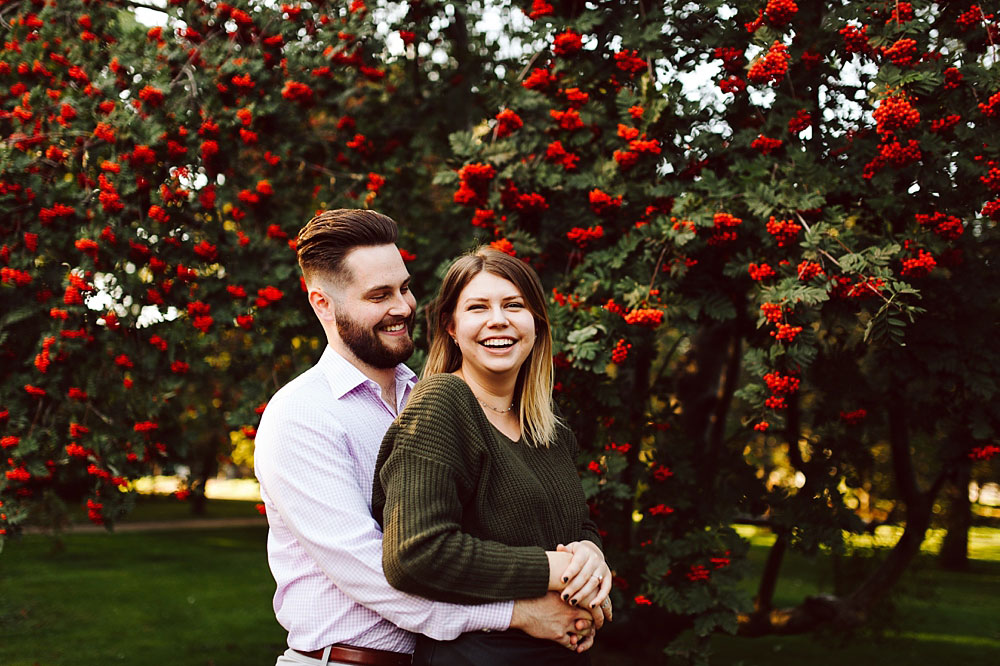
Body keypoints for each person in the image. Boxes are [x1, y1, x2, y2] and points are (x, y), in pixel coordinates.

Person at [254, 210, 603, 666]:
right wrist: (517, 612)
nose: (402, 306)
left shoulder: (433, 394)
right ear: (323, 303)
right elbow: (374, 572)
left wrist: (586, 556)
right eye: (379, 295)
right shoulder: (302, 415)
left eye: (404, 288)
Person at [372, 247, 613, 665]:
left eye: (514, 305)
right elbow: (415, 554)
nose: (498, 320)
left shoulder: (544, 421)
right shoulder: (442, 404)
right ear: (451, 326)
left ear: (536, 322)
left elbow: (575, 524)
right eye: (478, 307)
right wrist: (555, 569)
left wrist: (591, 556)